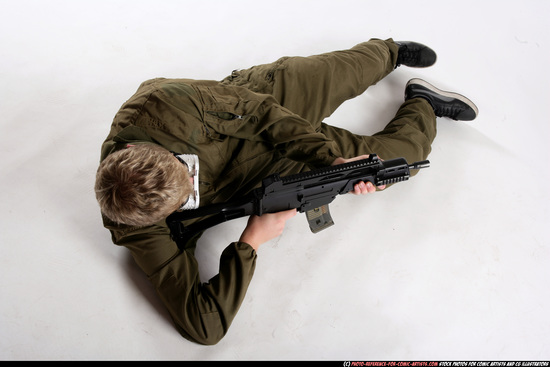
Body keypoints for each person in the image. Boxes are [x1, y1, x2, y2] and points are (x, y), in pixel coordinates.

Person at [94, 38, 478, 345]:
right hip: (265, 173)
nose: (194, 184)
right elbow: (204, 326)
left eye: (187, 171)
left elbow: (262, 115)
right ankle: (424, 102)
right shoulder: (134, 224)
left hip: (251, 113)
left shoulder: (166, 103)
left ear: (139, 149)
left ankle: (389, 52)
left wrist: (330, 159)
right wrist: (250, 242)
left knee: (338, 72)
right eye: (188, 197)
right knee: (401, 162)